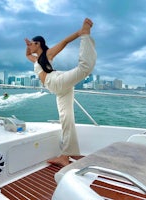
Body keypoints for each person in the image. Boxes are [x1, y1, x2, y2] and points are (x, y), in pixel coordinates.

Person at [25, 18, 97, 167]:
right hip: (58, 88)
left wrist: (79, 33)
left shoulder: (48, 54)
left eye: (32, 43)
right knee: (66, 120)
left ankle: (85, 35)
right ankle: (65, 156)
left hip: (56, 81)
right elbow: (27, 55)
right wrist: (28, 46)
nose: (30, 46)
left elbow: (64, 42)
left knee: (84, 68)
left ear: (39, 44)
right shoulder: (36, 59)